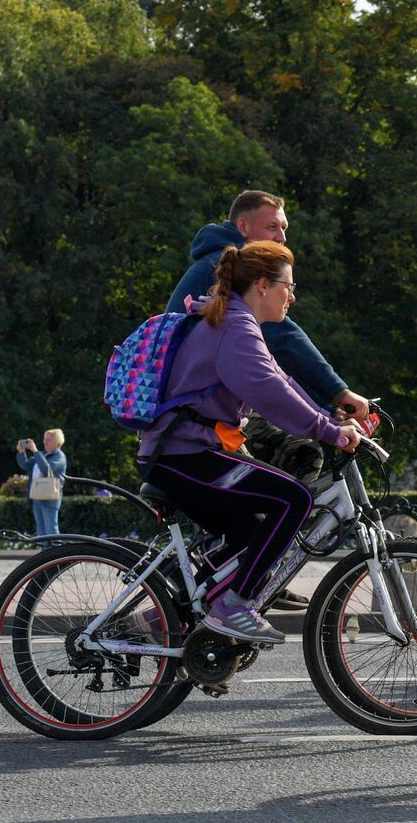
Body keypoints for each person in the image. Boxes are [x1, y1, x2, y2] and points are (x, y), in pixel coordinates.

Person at [138, 240, 361, 644]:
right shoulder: (234, 328)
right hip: (183, 456)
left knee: (252, 532)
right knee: (293, 499)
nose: (292, 295)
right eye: (287, 286)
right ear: (262, 285)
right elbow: (267, 392)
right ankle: (234, 605)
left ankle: (172, 618)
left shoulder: (236, 322)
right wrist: (329, 433)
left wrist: (333, 418)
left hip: (180, 454)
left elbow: (284, 381)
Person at [167, 189, 370, 612]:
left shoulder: (239, 302)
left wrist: (327, 410)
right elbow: (273, 375)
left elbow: (281, 377)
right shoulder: (234, 302)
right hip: (191, 432)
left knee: (263, 514)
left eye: (284, 226)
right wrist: (333, 408)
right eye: (273, 226)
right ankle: (243, 589)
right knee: (294, 481)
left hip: (202, 425)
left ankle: (235, 576)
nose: (282, 234)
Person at [17, 429, 68, 537]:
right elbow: (26, 466)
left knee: (51, 531)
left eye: (48, 439)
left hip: (50, 498)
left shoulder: (59, 456)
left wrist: (35, 451)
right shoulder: (42, 455)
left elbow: (46, 469)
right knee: (41, 533)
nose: (45, 442)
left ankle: (58, 553)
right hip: (37, 497)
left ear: (57, 442)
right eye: (44, 439)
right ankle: (44, 553)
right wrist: (22, 452)